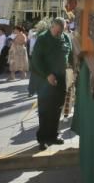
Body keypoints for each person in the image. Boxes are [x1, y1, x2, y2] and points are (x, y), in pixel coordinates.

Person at [30, 18, 72, 149]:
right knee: (45, 109)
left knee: (57, 107)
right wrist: (47, 74)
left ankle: (53, 136)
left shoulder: (66, 37)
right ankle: (42, 139)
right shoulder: (42, 39)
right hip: (45, 79)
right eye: (57, 31)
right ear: (52, 27)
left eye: (62, 31)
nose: (60, 34)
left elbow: (70, 55)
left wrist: (73, 69)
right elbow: (36, 61)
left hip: (61, 77)